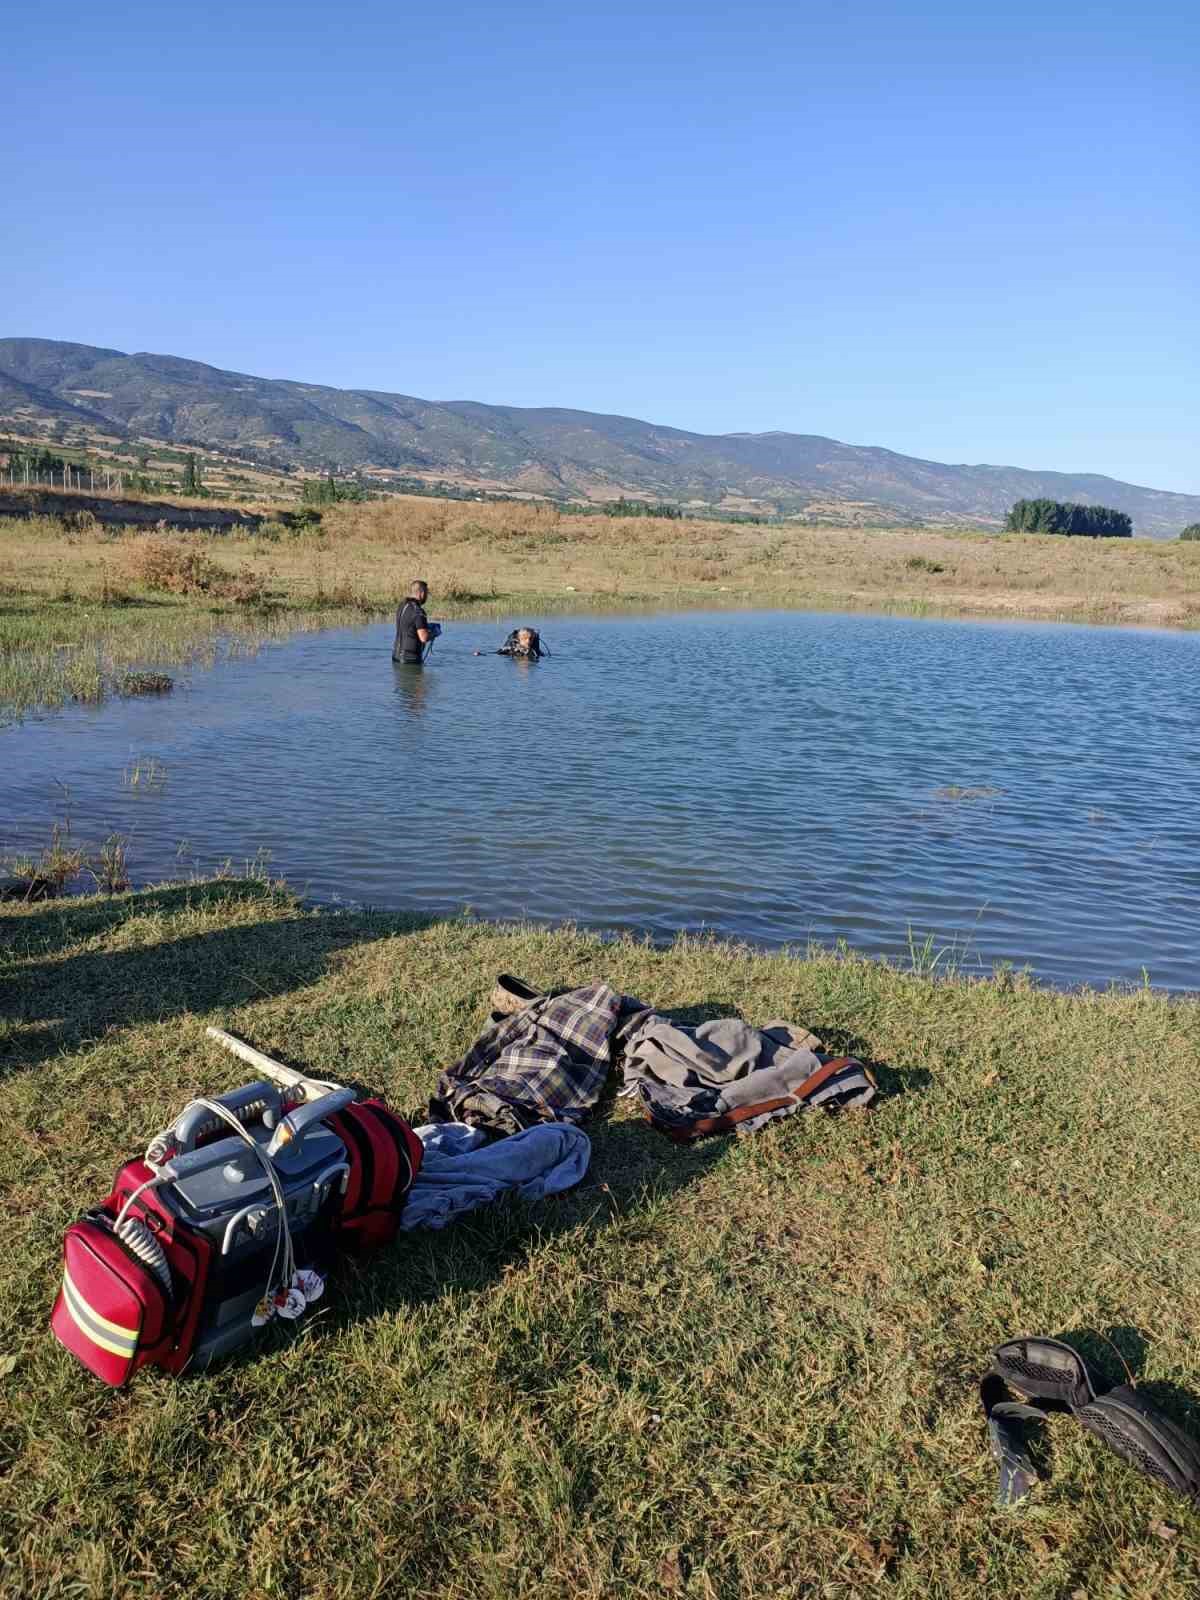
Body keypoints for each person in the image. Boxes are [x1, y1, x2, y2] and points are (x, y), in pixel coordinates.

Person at [392, 580, 440, 664]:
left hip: (396, 658)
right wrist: (435, 632)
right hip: (411, 661)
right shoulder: (419, 612)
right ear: (421, 593)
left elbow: (408, 626)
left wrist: (426, 626)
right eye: (426, 593)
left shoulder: (402, 605)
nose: (427, 596)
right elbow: (423, 637)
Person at [474, 627, 547, 660]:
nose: (528, 641)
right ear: (519, 639)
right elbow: (496, 654)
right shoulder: (511, 649)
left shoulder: (536, 652)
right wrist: (481, 654)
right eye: (525, 638)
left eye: (530, 639)